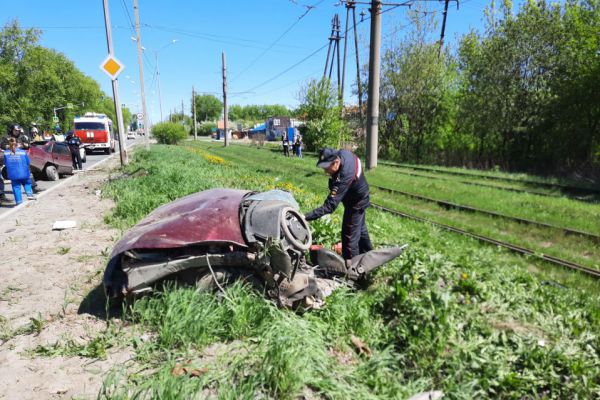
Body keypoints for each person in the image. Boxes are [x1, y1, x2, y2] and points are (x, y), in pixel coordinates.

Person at [304, 148, 373, 268]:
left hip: (356, 202)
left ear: (336, 162)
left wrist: (306, 217)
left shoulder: (344, 176)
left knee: (349, 239)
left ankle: (354, 270)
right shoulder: (343, 154)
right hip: (359, 194)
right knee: (361, 231)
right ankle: (370, 256)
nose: (326, 172)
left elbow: (329, 206)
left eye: (327, 168)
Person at [3, 137, 34, 204]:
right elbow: (28, 162)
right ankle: (29, 194)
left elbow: (5, 163)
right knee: (27, 183)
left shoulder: (6, 153)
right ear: (17, 144)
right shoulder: (23, 152)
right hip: (24, 172)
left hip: (12, 174)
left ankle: (19, 202)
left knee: (16, 186)